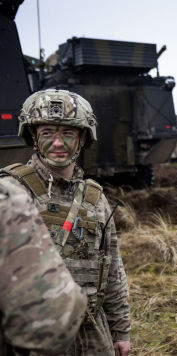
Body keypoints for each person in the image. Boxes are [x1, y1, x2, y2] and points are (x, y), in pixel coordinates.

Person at [0, 89, 131, 356]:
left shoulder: (95, 200)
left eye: (68, 133)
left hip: (92, 332)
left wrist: (120, 330)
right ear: (34, 137)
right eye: (47, 132)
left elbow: (113, 268)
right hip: (32, 339)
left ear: (83, 138)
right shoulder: (10, 193)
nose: (57, 143)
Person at [0, 178, 88, 354]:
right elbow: (54, 320)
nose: (57, 148)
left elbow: (112, 266)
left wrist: (121, 328)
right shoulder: (10, 198)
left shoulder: (93, 195)